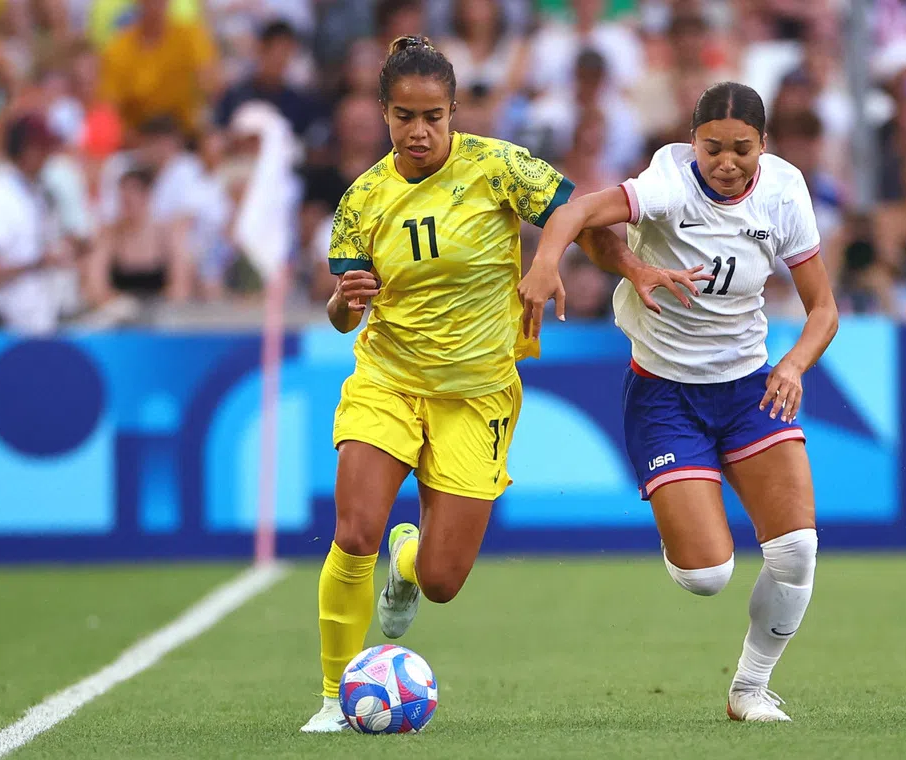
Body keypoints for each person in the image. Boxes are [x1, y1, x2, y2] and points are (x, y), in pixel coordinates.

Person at [303, 35, 709, 733]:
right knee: (354, 529)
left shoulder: (499, 167)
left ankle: (408, 559)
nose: (419, 131)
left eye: (433, 116)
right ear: (384, 113)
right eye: (404, 117)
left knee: (441, 581)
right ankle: (332, 698)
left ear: (454, 112)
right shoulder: (361, 200)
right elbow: (342, 315)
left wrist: (635, 269)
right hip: (388, 381)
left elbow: (581, 221)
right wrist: (344, 302)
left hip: (478, 395)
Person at [518, 81, 840, 722]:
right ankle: (682, 522)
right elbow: (576, 212)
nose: (727, 163)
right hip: (665, 394)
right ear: (693, 142)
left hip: (749, 387)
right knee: (707, 576)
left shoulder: (784, 190)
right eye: (712, 148)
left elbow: (823, 310)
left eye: (741, 149)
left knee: (797, 550)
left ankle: (750, 689)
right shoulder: (666, 184)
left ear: (763, 145)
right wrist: (545, 263)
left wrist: (794, 365)